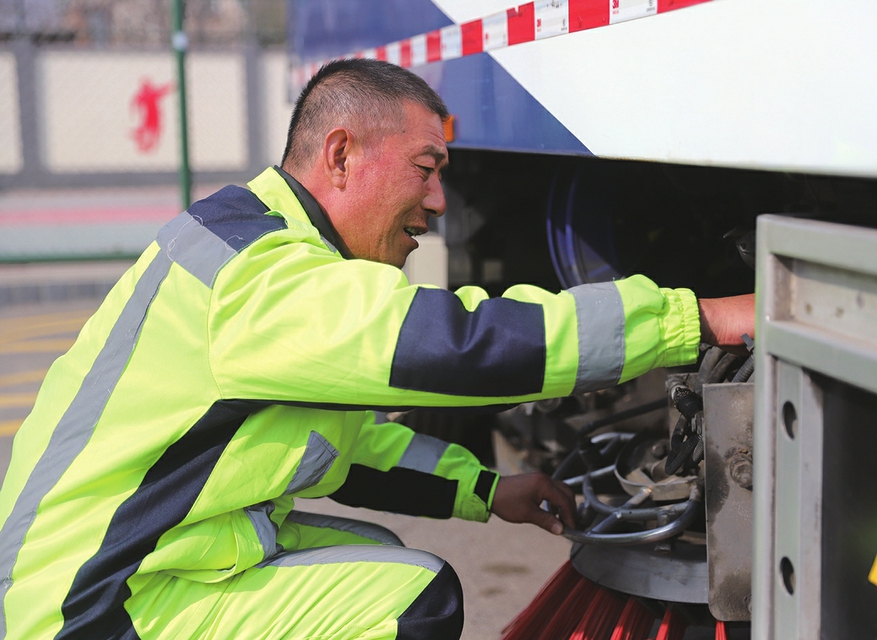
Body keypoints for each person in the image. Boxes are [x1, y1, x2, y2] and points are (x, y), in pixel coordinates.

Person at [0, 59, 754, 640]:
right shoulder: (261, 277)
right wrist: (693, 317)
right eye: (426, 171)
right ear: (341, 155)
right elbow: (459, 344)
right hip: (91, 607)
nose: (436, 204)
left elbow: (341, 445)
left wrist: (491, 491)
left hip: (117, 571)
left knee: (371, 556)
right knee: (413, 598)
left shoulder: (257, 242)